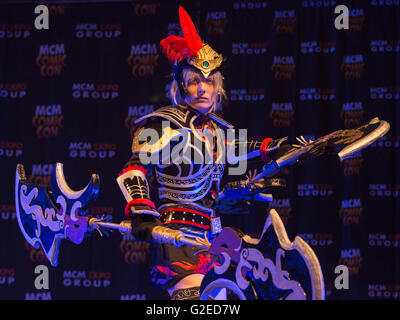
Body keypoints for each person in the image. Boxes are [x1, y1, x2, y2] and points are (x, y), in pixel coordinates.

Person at [117, 6, 291, 300]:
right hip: (177, 235)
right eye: (194, 80)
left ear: (217, 86)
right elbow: (133, 169)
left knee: (217, 300)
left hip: (213, 236)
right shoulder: (164, 124)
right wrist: (141, 209)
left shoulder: (220, 131)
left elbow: (237, 159)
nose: (202, 88)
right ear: (181, 85)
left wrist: (272, 150)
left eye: (208, 81)